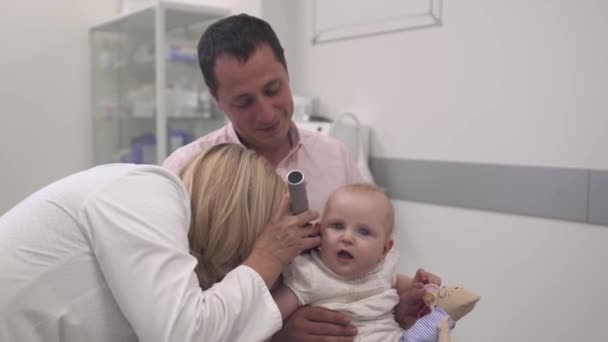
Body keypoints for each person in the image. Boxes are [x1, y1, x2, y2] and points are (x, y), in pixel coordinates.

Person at [162, 13, 439, 341]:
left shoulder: (334, 157)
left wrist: (395, 306)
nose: (266, 113)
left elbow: (363, 264)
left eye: (273, 88)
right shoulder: (185, 172)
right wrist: (274, 331)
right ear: (216, 99)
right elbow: (177, 312)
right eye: (244, 101)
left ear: (287, 72)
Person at [0, 144, 320, 342]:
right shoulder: (148, 191)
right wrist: (268, 256)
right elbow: (186, 335)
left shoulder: (170, 256)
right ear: (240, 223)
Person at [273, 183, 440, 341]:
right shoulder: (309, 273)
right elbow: (270, 314)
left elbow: (396, 281)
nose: (347, 238)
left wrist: (420, 285)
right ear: (319, 232)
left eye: (364, 231)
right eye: (337, 226)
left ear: (384, 250)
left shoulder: (383, 267)